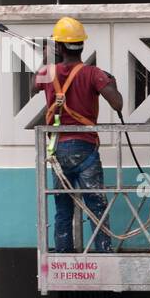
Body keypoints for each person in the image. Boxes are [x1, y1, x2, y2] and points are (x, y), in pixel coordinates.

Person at [34, 16, 124, 253]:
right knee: (96, 204)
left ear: (60, 47)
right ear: (82, 45)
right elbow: (117, 104)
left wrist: (46, 58)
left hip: (58, 151)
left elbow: (31, 87)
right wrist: (109, 81)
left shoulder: (47, 72)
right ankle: (103, 251)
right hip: (85, 150)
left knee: (63, 208)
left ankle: (64, 253)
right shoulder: (93, 74)